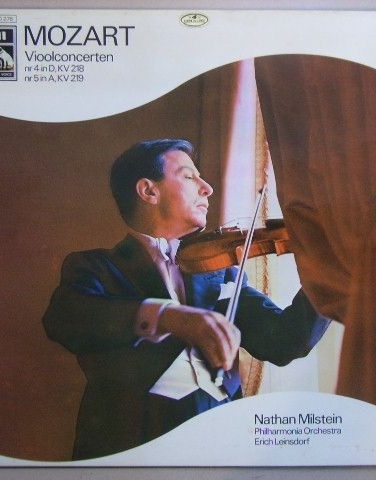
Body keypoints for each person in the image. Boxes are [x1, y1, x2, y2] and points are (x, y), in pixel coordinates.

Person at [42, 139, 330, 460]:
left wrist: (329, 269)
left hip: (221, 436)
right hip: (134, 437)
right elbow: (65, 319)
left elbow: (286, 341)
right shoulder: (95, 266)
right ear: (148, 191)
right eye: (190, 176)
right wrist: (169, 316)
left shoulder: (219, 270)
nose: (207, 188)